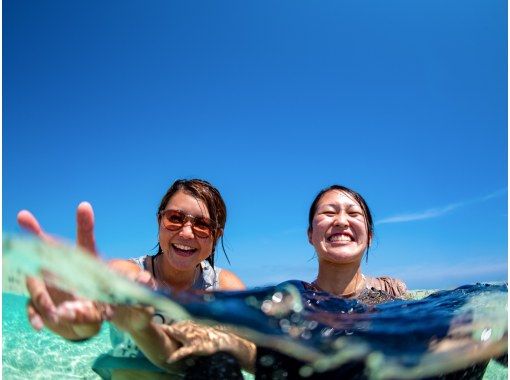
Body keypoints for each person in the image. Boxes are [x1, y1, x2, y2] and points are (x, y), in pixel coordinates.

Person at [18, 178, 246, 378]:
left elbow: (248, 351)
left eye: (202, 225)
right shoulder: (130, 271)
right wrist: (80, 326)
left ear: (215, 236)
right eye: (175, 218)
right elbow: (113, 282)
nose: (186, 232)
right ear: (160, 222)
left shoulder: (224, 288)